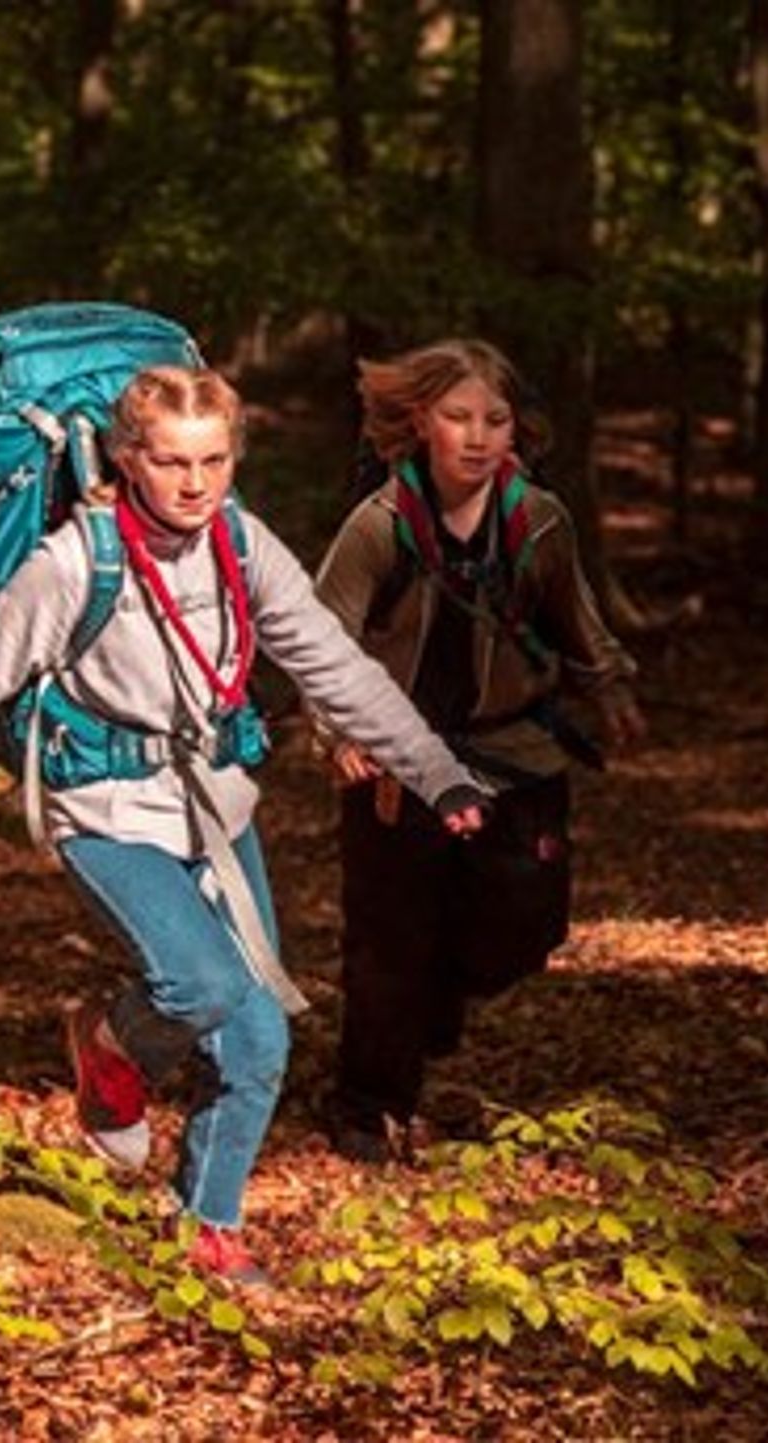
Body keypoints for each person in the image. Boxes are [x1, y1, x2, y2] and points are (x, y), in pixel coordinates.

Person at [0, 366, 487, 1286]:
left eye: (215, 460)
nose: (196, 483)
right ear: (127, 458)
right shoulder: (76, 560)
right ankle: (108, 1047)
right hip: (103, 808)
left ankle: (207, 1224)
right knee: (201, 984)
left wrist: (435, 772)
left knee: (260, 1037)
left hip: (213, 805)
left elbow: (334, 666)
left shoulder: (242, 543)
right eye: (173, 461)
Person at [314, 339, 644, 1163]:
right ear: (419, 422)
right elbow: (320, 637)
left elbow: (576, 617)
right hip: (397, 760)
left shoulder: (539, 520)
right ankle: (367, 1108)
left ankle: (438, 997)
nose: (477, 435)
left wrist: (609, 688)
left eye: (494, 419)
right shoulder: (379, 524)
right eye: (457, 417)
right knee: (387, 941)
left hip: (516, 752)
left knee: (526, 927)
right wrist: (340, 731)